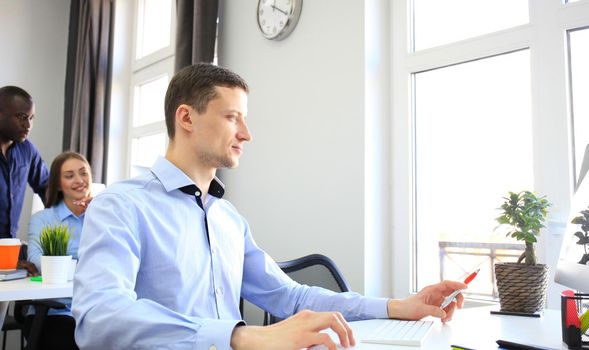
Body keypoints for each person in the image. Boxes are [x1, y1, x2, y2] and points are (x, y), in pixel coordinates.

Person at [73, 63, 467, 350]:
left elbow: (290, 297)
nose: (246, 134)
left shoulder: (227, 218)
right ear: (186, 118)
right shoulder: (120, 206)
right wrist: (243, 336)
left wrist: (398, 306)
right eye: (232, 117)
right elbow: (99, 317)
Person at [24, 151, 91, 350]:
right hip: (55, 312)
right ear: (59, 184)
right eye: (69, 176)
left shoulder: (104, 215)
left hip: (96, 309)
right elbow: (36, 258)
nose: (79, 180)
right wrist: (86, 269)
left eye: (83, 173)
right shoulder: (43, 219)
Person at [0, 85, 49, 275]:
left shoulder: (27, 150)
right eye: (21, 117)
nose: (28, 125)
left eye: (31, 118)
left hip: (7, 253)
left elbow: (47, 189)